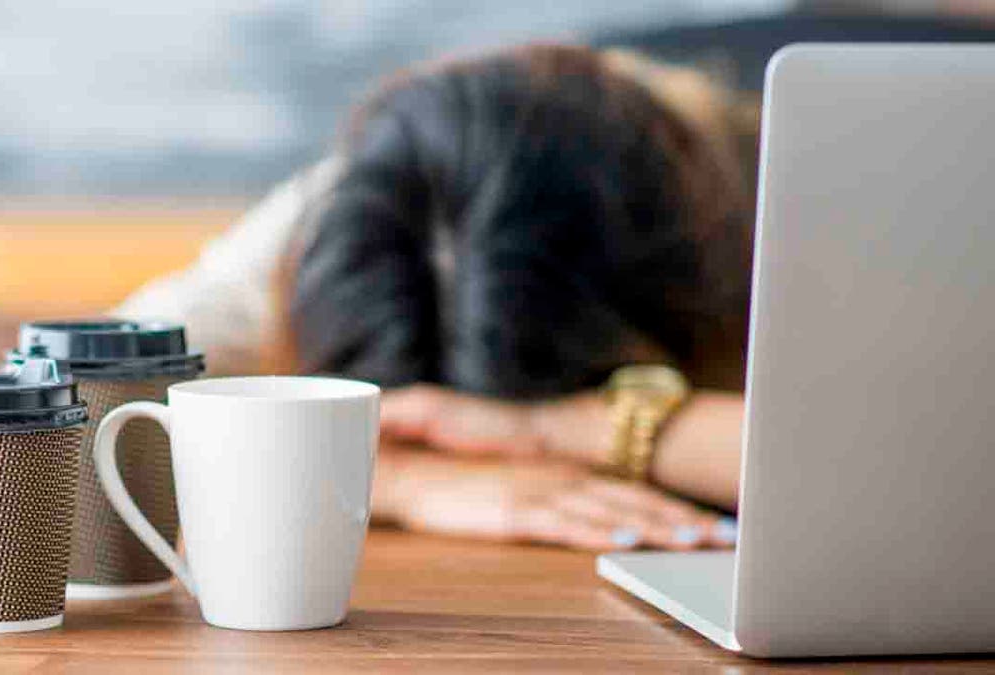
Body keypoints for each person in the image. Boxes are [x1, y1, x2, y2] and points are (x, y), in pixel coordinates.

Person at [114, 44, 759, 551]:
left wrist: (556, 427)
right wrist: (395, 482)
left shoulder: (770, 180)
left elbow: (856, 467)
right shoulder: (357, 209)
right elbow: (73, 423)